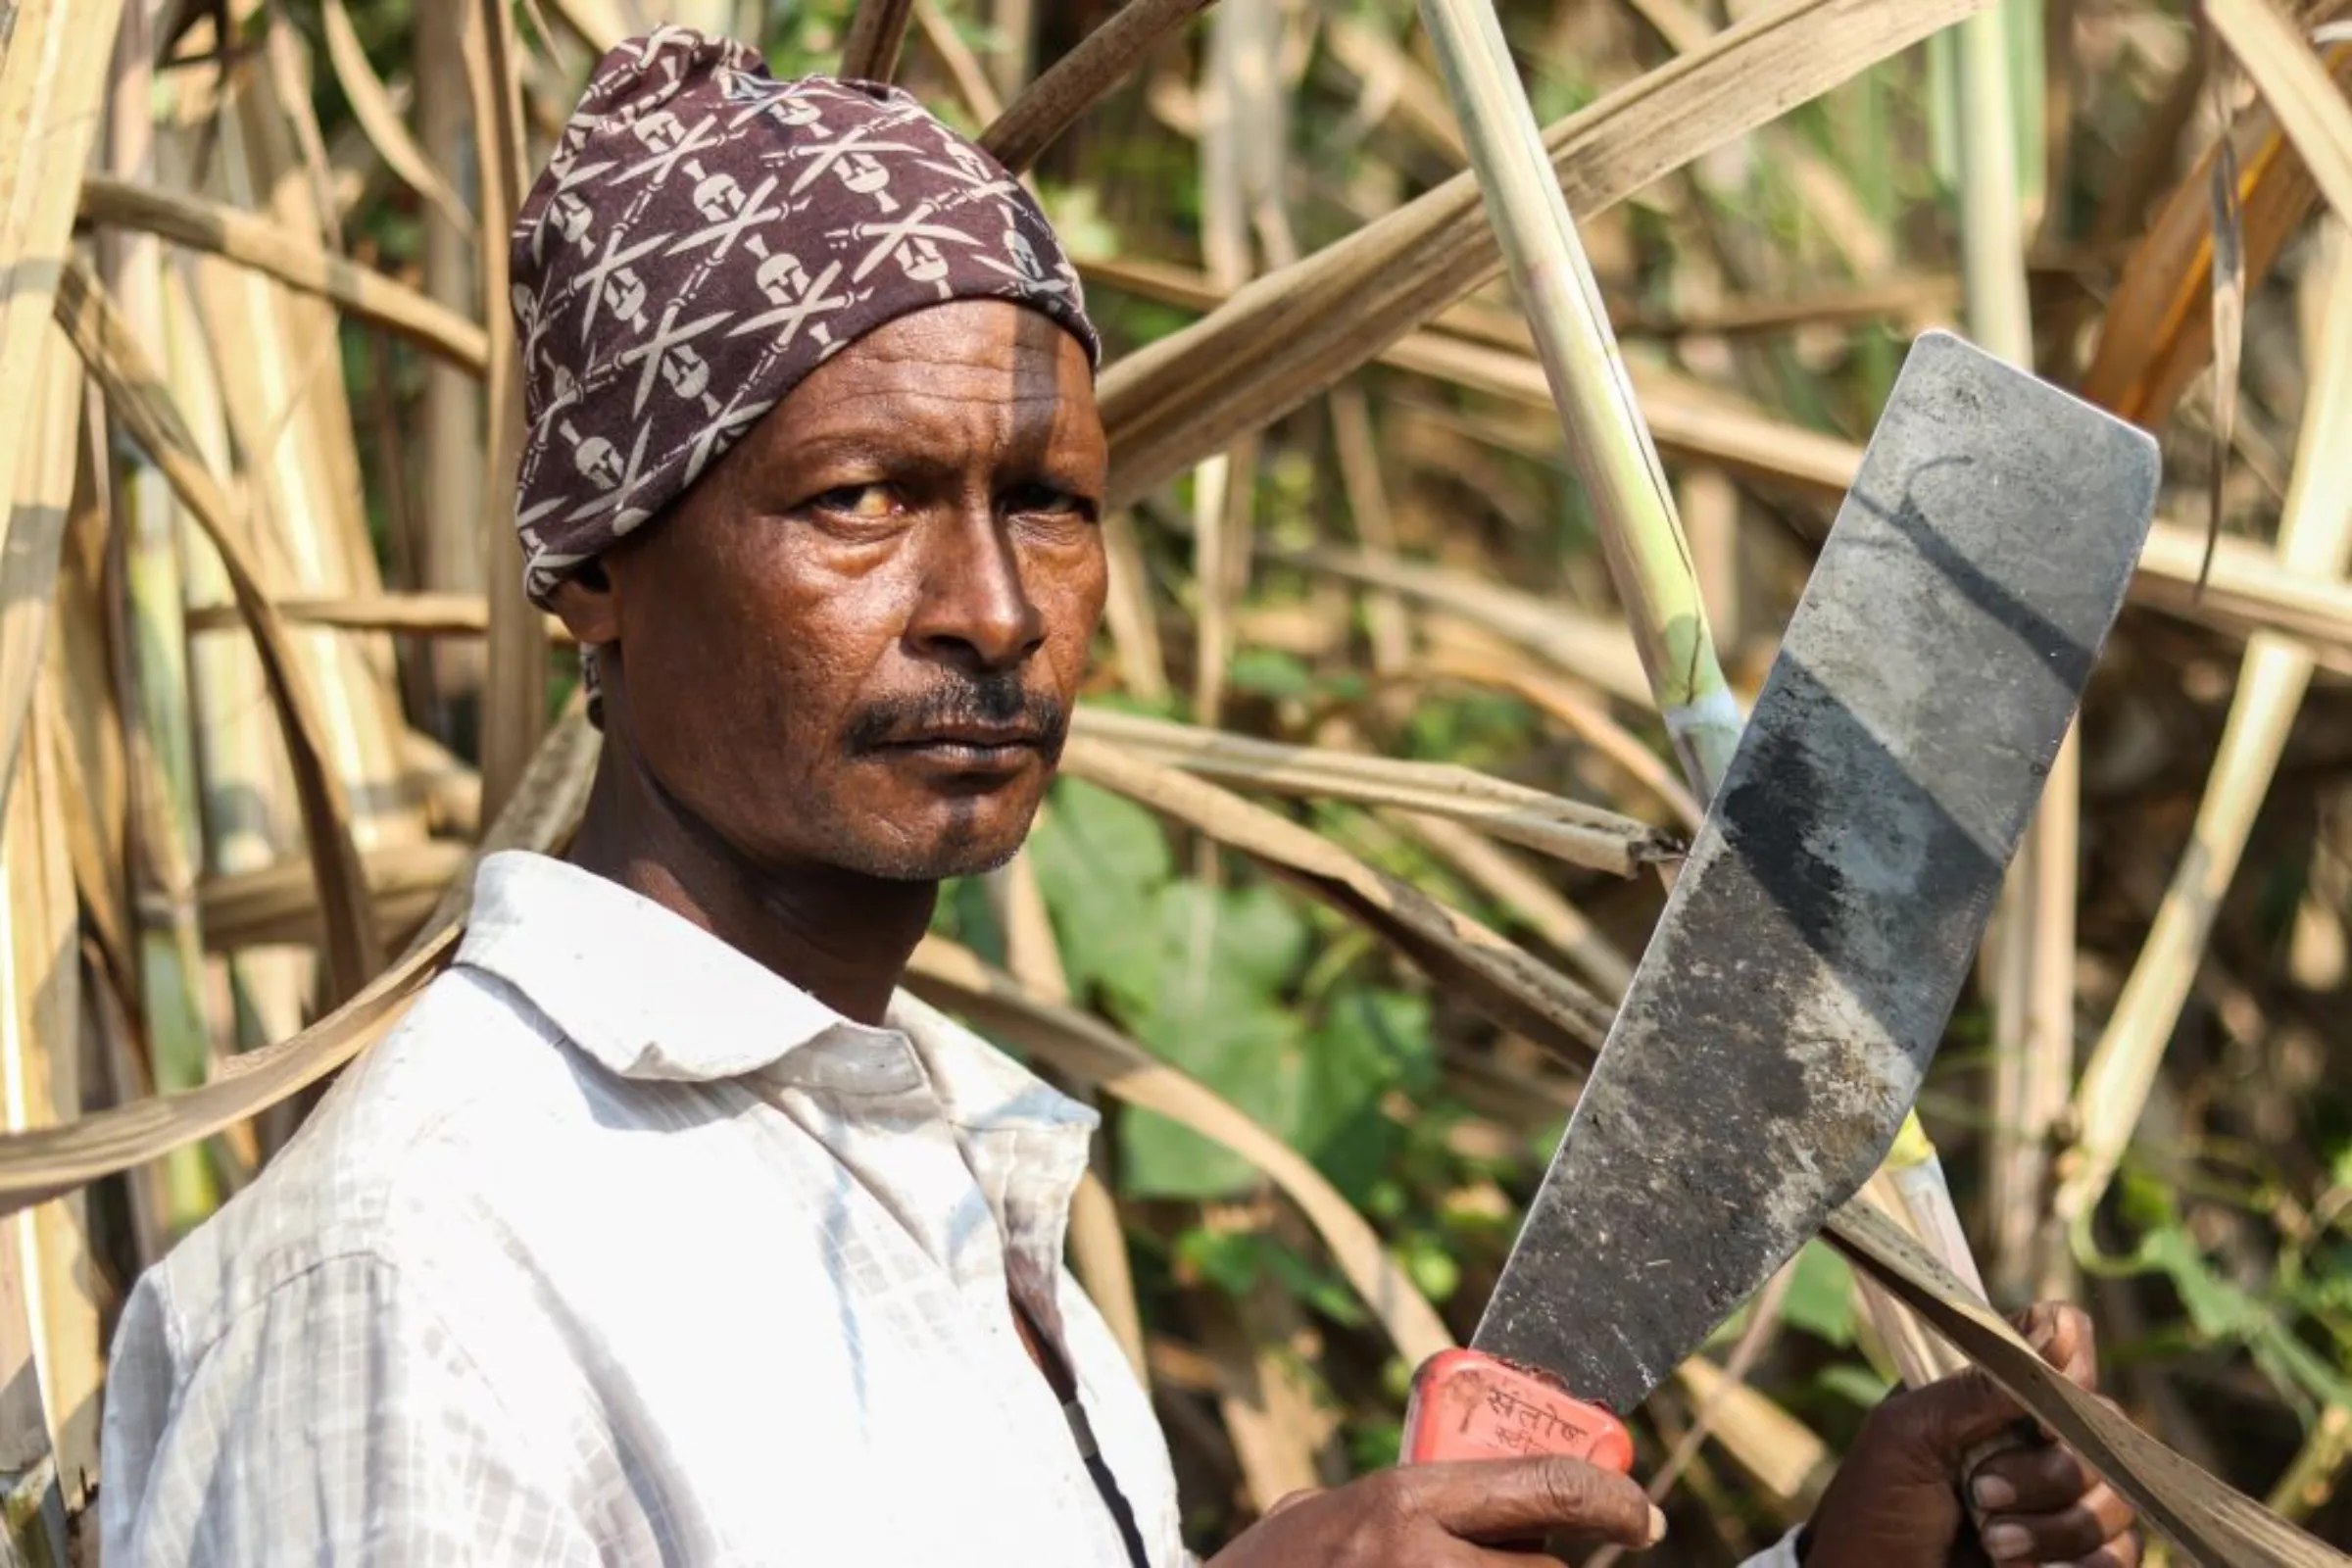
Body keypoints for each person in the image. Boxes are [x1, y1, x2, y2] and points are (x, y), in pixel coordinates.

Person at [98, 27, 2142, 1568]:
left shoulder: (930, 1175)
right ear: (595, 570)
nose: (991, 607)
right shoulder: (420, 1263)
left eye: (1051, 505)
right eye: (860, 499)